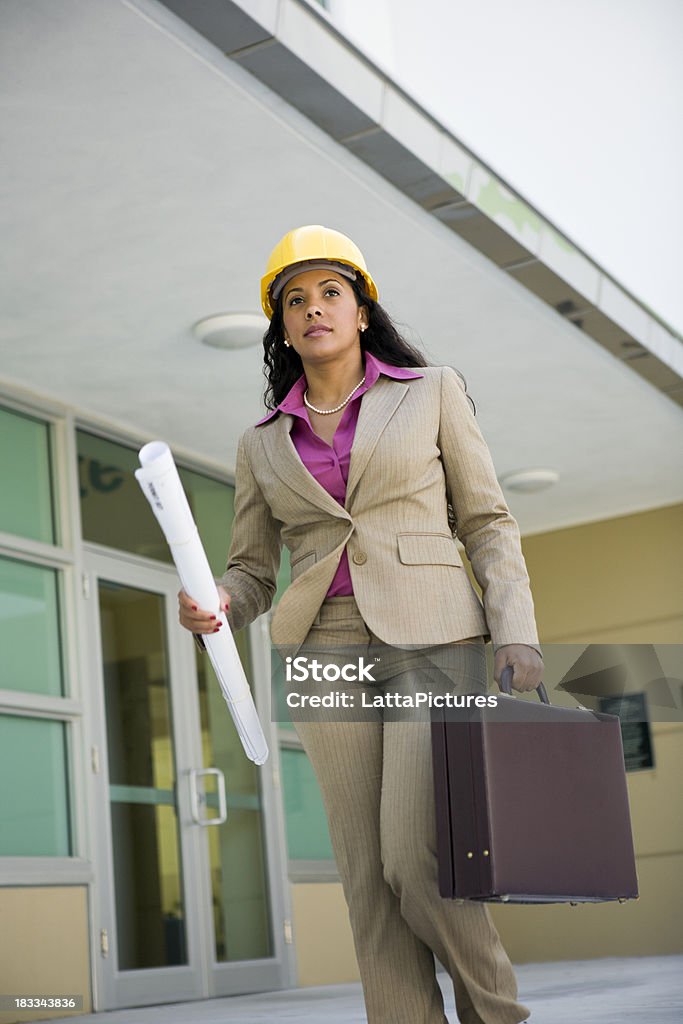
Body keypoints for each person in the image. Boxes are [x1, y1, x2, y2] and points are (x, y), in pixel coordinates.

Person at [179, 224, 542, 1024]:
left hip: (433, 635)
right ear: (281, 325)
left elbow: (485, 519)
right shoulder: (261, 441)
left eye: (329, 293)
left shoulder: (431, 391)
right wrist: (221, 606)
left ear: (362, 308)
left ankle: (496, 1015)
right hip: (323, 645)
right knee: (366, 878)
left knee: (416, 858)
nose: (313, 309)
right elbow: (251, 569)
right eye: (294, 300)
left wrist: (515, 627)